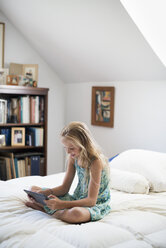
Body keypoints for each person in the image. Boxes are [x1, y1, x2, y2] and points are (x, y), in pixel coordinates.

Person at [25, 121, 111, 224]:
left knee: (76, 214)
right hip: (77, 198)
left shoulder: (96, 162)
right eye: (65, 148)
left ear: (83, 145)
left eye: (71, 148)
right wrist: (45, 193)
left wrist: (61, 204)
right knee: (33, 189)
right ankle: (53, 209)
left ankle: (47, 210)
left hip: (95, 203)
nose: (68, 152)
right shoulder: (73, 158)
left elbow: (91, 201)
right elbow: (64, 188)